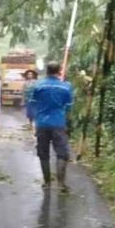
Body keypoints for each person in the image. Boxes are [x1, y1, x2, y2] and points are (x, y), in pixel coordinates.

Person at [29, 62, 74, 192]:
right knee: (62, 153)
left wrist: (36, 118)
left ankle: (47, 182)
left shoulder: (37, 86)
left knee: (43, 153)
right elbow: (69, 106)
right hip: (58, 123)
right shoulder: (65, 87)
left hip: (42, 123)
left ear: (47, 71)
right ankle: (61, 183)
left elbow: (33, 103)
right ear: (59, 71)